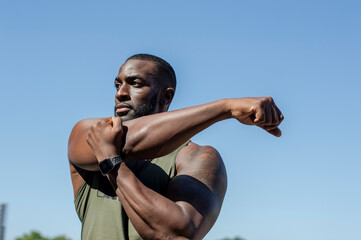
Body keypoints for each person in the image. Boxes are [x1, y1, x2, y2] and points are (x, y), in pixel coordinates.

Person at [68, 54, 284, 240]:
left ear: (167, 96)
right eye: (117, 84)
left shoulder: (197, 157)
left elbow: (173, 234)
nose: (120, 93)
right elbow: (129, 140)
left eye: (135, 83)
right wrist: (225, 108)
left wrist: (112, 163)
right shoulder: (87, 133)